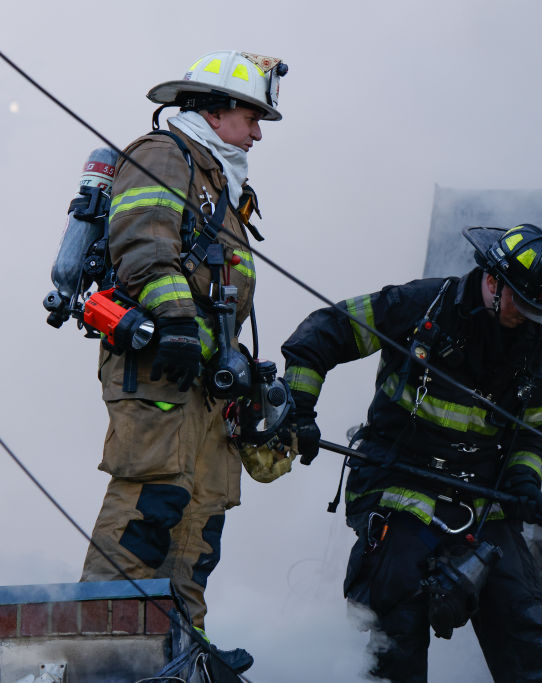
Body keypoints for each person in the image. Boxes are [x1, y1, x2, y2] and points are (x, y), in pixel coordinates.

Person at [280, 223, 542, 682]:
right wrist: (298, 409)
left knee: (525, 628)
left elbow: (540, 430)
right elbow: (325, 331)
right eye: (522, 302)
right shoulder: (421, 306)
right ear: (493, 281)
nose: (529, 316)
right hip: (397, 483)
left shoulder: (533, 348)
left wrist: (524, 479)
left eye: (538, 308)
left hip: (482, 499)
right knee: (395, 609)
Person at [80, 50, 288, 673]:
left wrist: (240, 369)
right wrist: (174, 322)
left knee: (201, 521)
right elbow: (143, 242)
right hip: (159, 367)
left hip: (203, 382)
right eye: (252, 118)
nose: (257, 134)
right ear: (215, 110)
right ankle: (99, 655)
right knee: (152, 504)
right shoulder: (167, 154)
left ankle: (180, 655)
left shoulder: (220, 182)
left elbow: (219, 296)